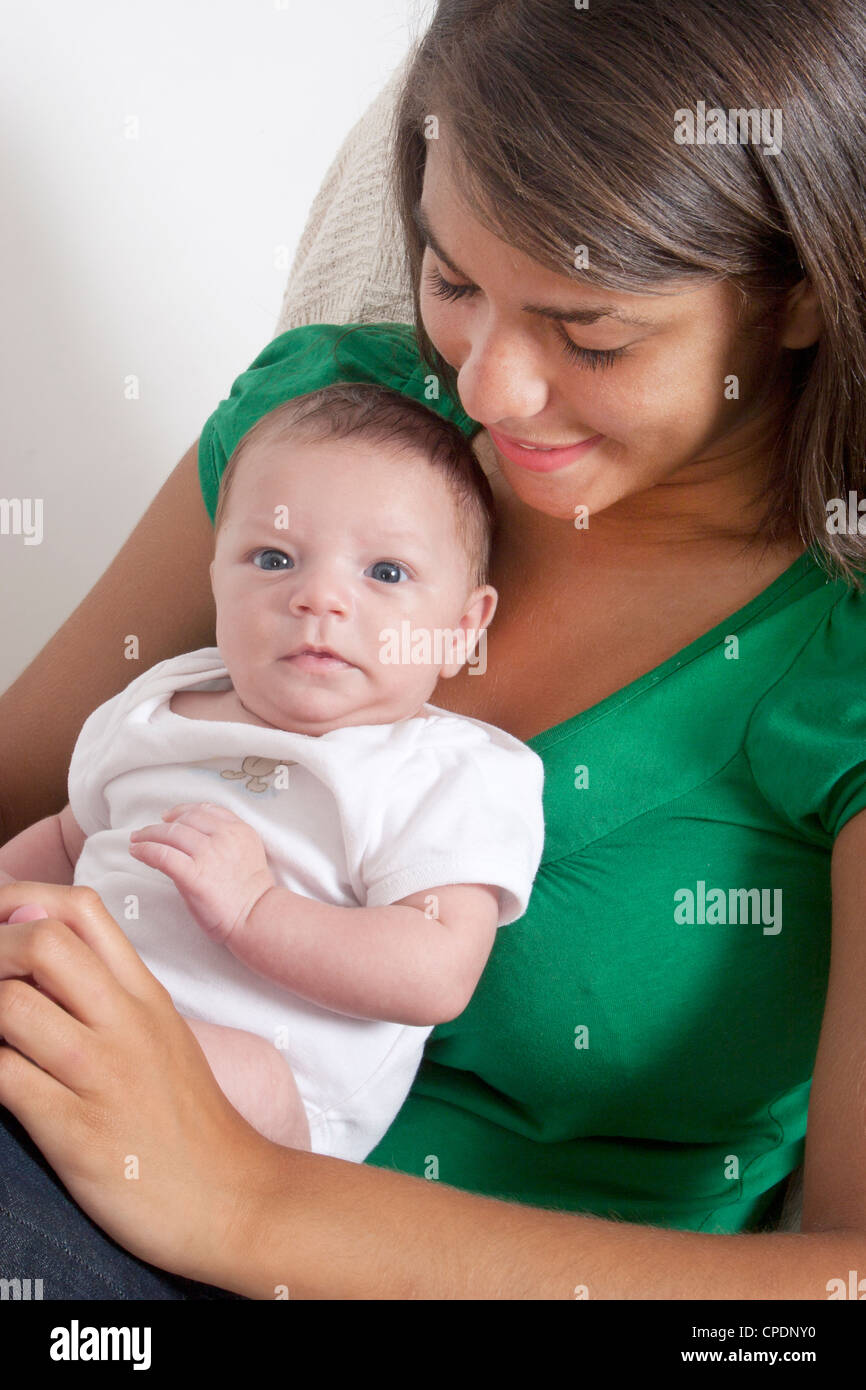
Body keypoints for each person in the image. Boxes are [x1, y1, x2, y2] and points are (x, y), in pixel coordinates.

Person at [2, 0, 866, 1298]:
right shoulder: (329, 428)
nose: (484, 389)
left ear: (796, 297)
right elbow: (28, 790)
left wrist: (245, 1199)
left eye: (590, 334)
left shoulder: (832, 661)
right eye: (453, 281)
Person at [0, 382, 544, 1160]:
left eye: (385, 573)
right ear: (217, 576)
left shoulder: (447, 772)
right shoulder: (158, 707)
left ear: (462, 629)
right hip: (70, 1004)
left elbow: (436, 971)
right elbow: (62, 840)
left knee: (241, 1072)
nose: (318, 598)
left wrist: (255, 911)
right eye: (275, 558)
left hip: (263, 1095)